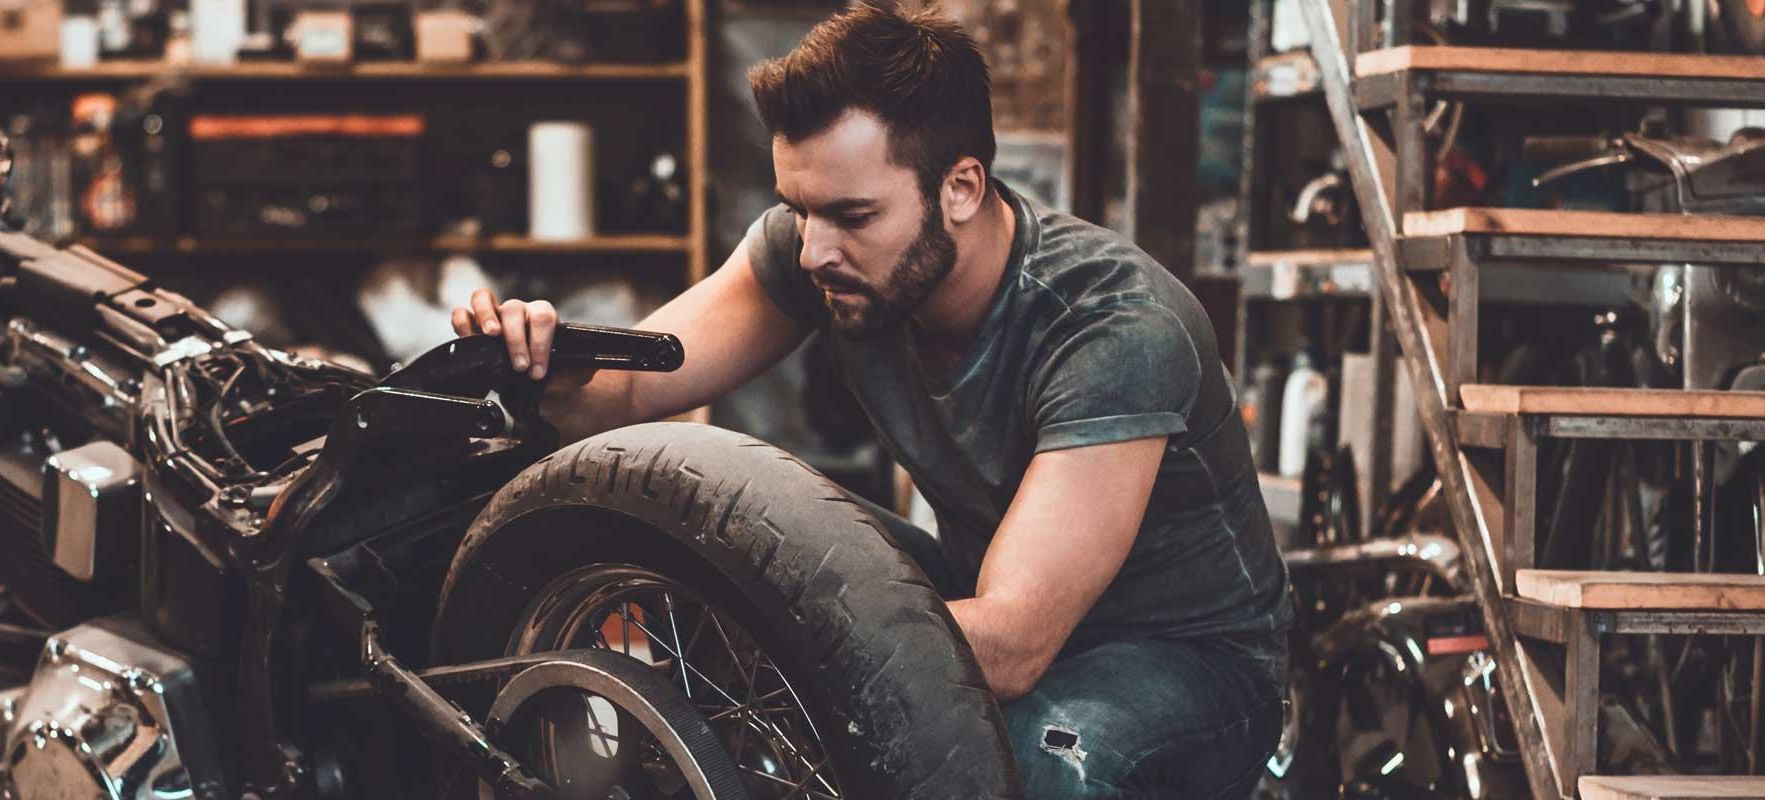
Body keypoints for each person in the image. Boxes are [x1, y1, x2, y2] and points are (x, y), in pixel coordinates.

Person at [448, 2, 1289, 796]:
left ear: (960, 188)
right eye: (797, 209)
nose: (814, 250)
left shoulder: (1114, 326)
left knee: (1031, 761)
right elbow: (628, 387)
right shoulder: (821, 251)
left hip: (1185, 661)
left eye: (851, 214)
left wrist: (769, 651)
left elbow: (1011, 645)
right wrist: (538, 370)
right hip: (984, 585)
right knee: (741, 539)